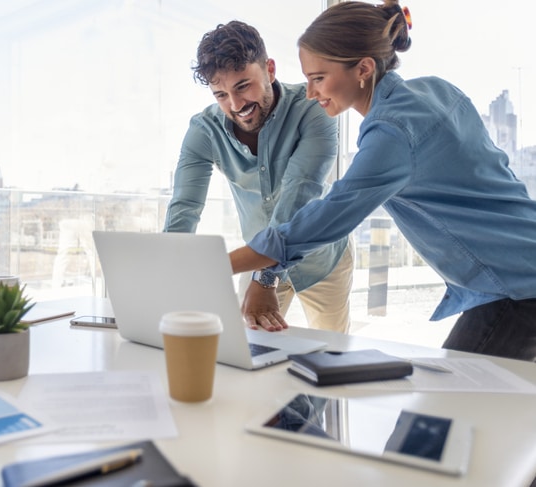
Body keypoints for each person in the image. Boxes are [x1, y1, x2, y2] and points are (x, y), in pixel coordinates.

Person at [229, 0, 536, 361]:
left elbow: (328, 216)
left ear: (363, 68)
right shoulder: (437, 90)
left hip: (516, 288)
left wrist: (217, 266)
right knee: (466, 411)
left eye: (318, 78)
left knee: (447, 410)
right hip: (520, 267)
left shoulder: (392, 132)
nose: (311, 93)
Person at [164, 21, 354, 333]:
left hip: (322, 262)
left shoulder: (313, 110)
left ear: (269, 69)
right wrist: (166, 270)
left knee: (331, 355)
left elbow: (298, 194)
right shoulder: (204, 130)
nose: (236, 105)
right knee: (251, 355)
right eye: (221, 94)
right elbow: (185, 207)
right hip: (256, 264)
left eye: (242, 86)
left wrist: (265, 277)